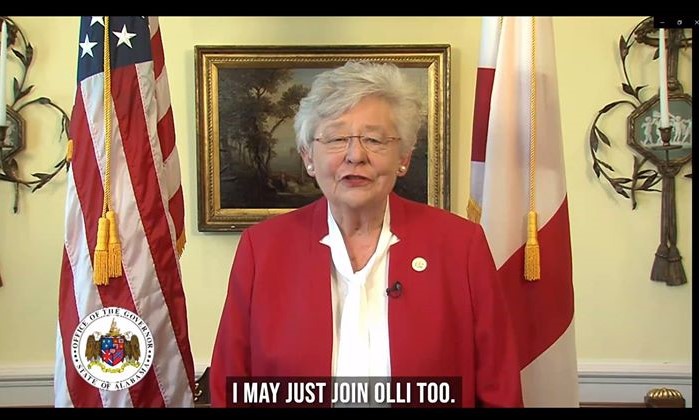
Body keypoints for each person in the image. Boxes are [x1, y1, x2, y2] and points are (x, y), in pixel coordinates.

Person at [210, 61, 523, 408]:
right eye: (336, 138)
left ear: (403, 157)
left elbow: (499, 389)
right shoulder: (262, 250)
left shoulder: (461, 246)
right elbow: (231, 386)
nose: (355, 155)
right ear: (308, 157)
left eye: (374, 139)